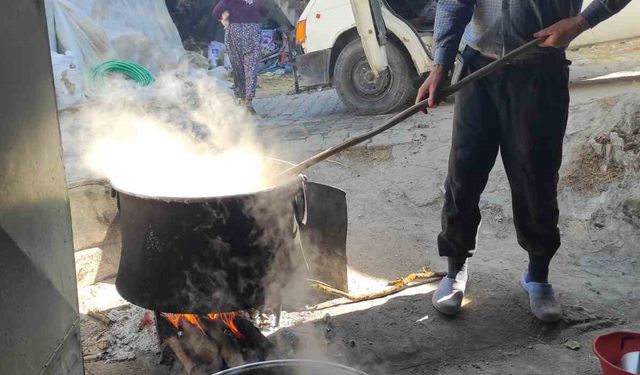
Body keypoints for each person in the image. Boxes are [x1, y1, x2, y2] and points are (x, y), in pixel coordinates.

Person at [417, 0, 632, 322]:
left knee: (536, 177)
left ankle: (538, 276)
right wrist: (441, 63)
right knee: (464, 173)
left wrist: (582, 22)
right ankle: (455, 269)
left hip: (540, 68)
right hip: (479, 70)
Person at [212, 0, 268, 114]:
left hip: (234, 33)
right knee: (251, 69)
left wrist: (224, 18)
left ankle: (242, 100)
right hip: (252, 33)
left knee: (238, 69)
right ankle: (248, 101)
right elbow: (265, 11)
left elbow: (216, 12)